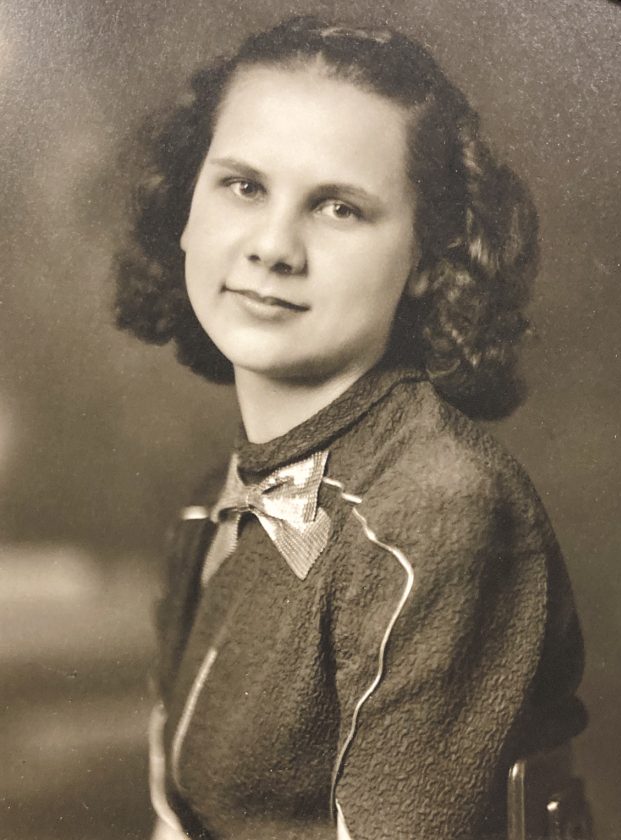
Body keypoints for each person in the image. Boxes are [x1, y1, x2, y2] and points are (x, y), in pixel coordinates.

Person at [114, 15, 587, 840]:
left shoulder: (437, 511)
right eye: (243, 186)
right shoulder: (219, 498)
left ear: (426, 261)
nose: (273, 247)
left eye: (338, 207)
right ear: (186, 209)